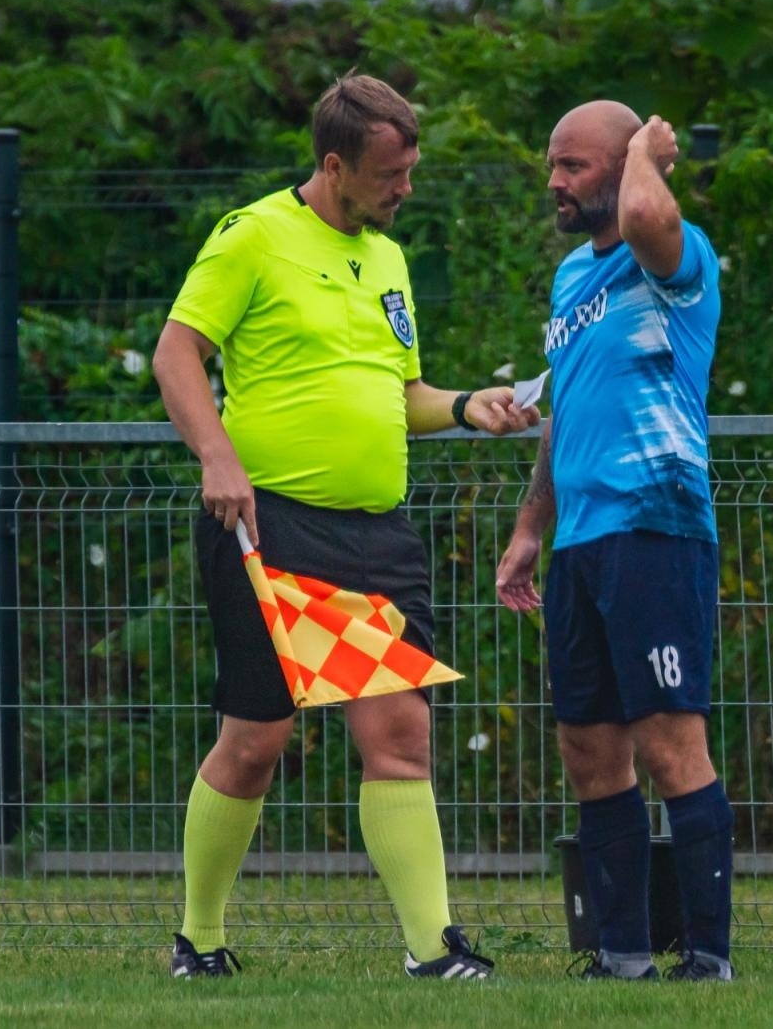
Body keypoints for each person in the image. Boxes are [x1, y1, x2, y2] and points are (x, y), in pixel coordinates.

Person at [152, 73, 540, 980]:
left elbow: (401, 396)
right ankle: (197, 938)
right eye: (390, 173)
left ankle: (432, 951)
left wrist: (468, 405)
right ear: (335, 165)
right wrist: (217, 457)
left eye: (410, 169)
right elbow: (176, 352)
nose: (405, 188)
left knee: (400, 730)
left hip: (379, 536)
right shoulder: (251, 238)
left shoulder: (388, 256)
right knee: (257, 741)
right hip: (270, 526)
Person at [495, 101, 734, 981]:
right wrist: (530, 530)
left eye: (573, 166)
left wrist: (646, 152)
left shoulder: (676, 258)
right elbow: (567, 412)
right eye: (551, 165)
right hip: (582, 543)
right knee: (589, 750)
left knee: (671, 745)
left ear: (625, 162)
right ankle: (621, 956)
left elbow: (643, 213)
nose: (554, 182)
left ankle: (708, 956)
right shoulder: (569, 279)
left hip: (656, 528)